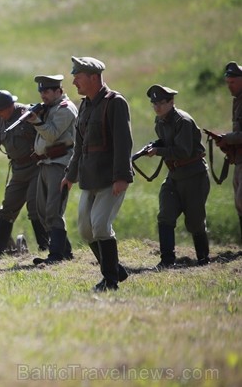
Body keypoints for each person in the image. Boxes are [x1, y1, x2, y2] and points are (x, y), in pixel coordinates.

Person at [62, 57, 133, 292]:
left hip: (110, 178)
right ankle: (116, 270)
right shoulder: (85, 105)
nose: (74, 82)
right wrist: (70, 175)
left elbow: (124, 143)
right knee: (85, 229)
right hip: (89, 177)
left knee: (101, 226)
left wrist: (121, 176)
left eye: (78, 77)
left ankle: (110, 280)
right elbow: (79, 146)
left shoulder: (115, 103)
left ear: (93, 77)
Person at [144, 85, 210, 268]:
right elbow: (166, 142)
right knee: (165, 214)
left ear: (171, 102)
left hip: (194, 176)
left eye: (161, 103)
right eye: (154, 103)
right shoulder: (160, 121)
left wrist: (158, 151)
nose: (157, 107)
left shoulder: (183, 121)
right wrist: (154, 147)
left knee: (195, 221)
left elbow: (183, 151)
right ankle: (166, 261)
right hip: (174, 175)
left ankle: (203, 259)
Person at [0, 90, 49, 256]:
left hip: (36, 166)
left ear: (11, 106)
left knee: (34, 207)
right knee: (7, 208)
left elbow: (47, 133)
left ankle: (44, 247)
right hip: (18, 170)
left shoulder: (26, 114)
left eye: (0, 110)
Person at [27, 75, 78, 265]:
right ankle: (65, 251)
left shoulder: (65, 109)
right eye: (41, 91)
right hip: (45, 163)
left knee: (53, 210)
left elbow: (51, 134)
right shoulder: (48, 108)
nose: (43, 95)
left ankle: (56, 255)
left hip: (60, 163)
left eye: (47, 91)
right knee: (41, 209)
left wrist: (36, 121)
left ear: (58, 91)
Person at [215, 61, 242, 242]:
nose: (229, 86)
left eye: (233, 82)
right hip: (239, 159)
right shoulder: (238, 101)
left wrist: (227, 138)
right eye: (228, 82)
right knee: (239, 204)